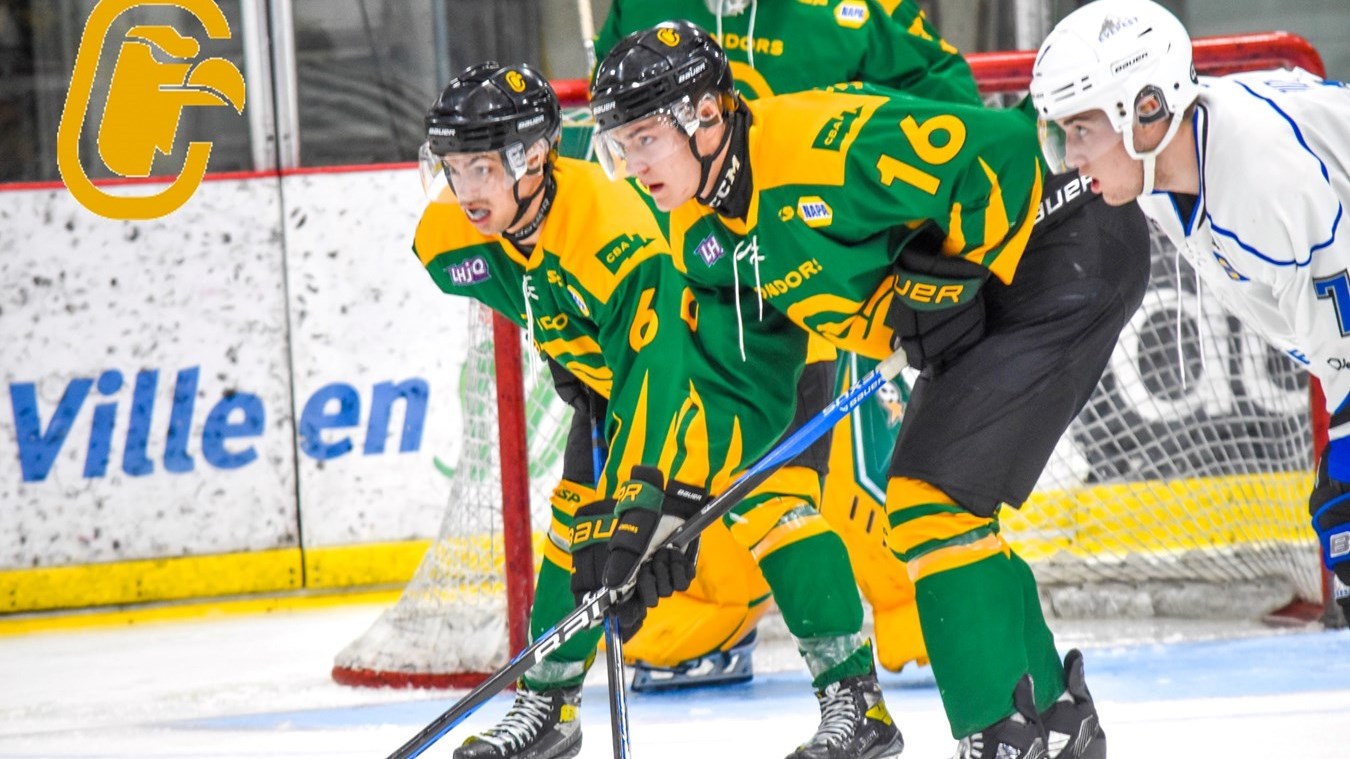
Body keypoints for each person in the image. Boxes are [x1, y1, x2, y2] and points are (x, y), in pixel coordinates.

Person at [591, 21, 1151, 758]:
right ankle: (1050, 723)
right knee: (935, 505)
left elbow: (1011, 143)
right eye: (617, 147)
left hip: (1066, 246)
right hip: (1001, 291)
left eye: (644, 140)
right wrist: (666, 512)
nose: (631, 166)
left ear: (705, 116)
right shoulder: (700, 235)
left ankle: (1010, 737)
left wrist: (951, 265)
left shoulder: (820, 141)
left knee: (930, 502)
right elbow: (738, 385)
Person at [412, 61, 901, 759]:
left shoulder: (616, 240)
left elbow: (663, 373)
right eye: (454, 170)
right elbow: (533, 289)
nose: (466, 192)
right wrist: (568, 345)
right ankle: (546, 707)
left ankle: (858, 703)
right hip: (637, 369)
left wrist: (644, 505)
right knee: (578, 514)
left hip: (751, 347)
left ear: (535, 158)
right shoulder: (450, 238)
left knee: (770, 506)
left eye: (483, 169)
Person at [591, 0, 983, 678]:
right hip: (710, 270)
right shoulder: (644, 12)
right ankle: (715, 615)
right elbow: (622, 131)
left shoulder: (852, 11)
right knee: (728, 460)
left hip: (832, 260)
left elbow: (945, 98)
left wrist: (918, 228)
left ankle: (920, 609)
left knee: (863, 471)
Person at [1030, 0, 1350, 627]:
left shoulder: (1260, 185)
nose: (1069, 159)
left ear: (1146, 111)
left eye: (1080, 131)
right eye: (1061, 134)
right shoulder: (1169, 171)